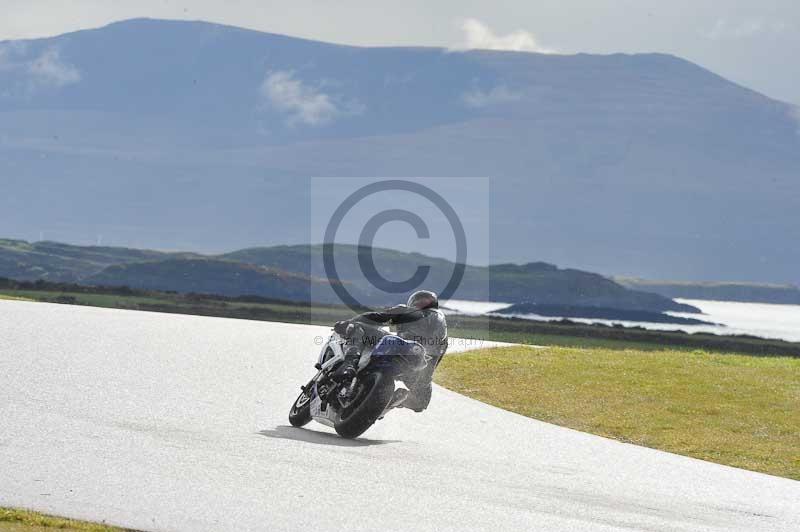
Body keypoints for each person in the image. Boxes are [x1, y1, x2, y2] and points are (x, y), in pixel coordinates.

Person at [334, 290, 448, 412]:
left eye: (423, 302)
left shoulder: (408, 310)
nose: (421, 305)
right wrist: (423, 379)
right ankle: (393, 400)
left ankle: (349, 364)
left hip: (399, 347)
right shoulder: (444, 333)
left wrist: (350, 322)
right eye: (420, 302)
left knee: (357, 328)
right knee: (421, 401)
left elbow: (376, 318)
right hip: (418, 365)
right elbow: (433, 363)